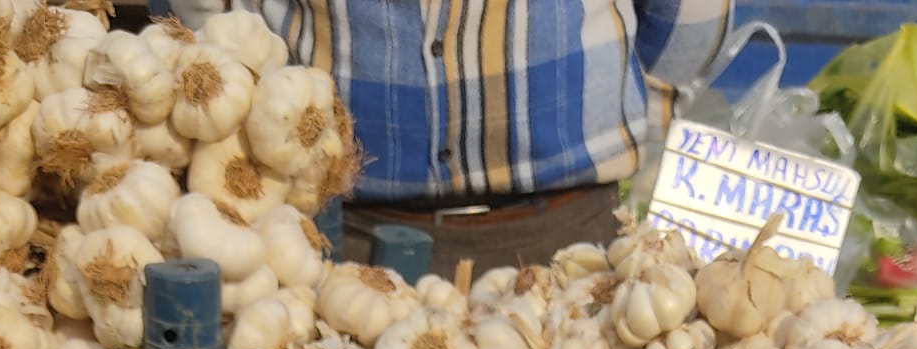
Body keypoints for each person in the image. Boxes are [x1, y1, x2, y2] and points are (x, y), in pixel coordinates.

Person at [149, 0, 737, 271]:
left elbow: (689, 19)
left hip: (570, 242)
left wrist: (631, 94)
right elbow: (204, 26)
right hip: (324, 240)